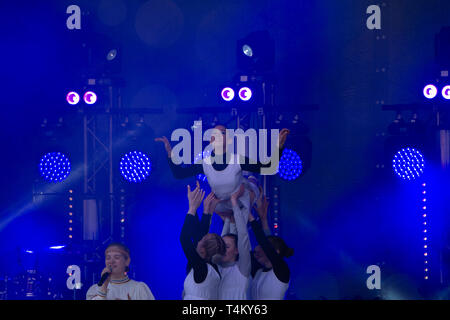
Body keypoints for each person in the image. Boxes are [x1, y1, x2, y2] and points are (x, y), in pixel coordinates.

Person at [155, 125, 289, 217]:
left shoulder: (237, 159)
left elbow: (269, 167)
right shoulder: (205, 163)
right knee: (217, 209)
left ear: (229, 140)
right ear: (211, 140)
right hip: (222, 204)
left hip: (243, 198)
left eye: (223, 132)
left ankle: (251, 182)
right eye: (214, 133)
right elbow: (179, 174)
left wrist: (279, 147)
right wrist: (169, 152)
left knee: (248, 189)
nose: (218, 135)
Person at [180, 182, 226, 300]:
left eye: (202, 240)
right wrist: (206, 212)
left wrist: (192, 209)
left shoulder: (201, 269)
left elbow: (184, 238)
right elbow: (198, 236)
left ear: (202, 250)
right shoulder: (211, 269)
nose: (199, 239)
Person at [209, 184, 252, 300]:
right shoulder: (216, 268)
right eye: (222, 246)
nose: (222, 249)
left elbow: (243, 236)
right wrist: (227, 220)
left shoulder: (242, 268)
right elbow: (219, 245)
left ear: (237, 250)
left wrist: (234, 203)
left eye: (227, 247)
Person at [249, 195, 294, 300]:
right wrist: (263, 219)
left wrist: (250, 217)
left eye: (263, 247)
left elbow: (265, 243)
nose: (258, 248)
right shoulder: (259, 271)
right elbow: (267, 241)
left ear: (276, 252)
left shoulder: (281, 270)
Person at [86, 242, 155, 300]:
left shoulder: (138, 289)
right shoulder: (94, 290)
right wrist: (104, 287)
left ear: (127, 261)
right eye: (108, 258)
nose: (111, 261)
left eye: (116, 257)